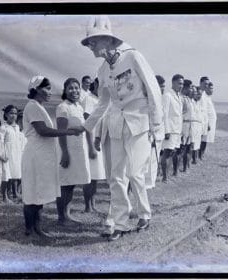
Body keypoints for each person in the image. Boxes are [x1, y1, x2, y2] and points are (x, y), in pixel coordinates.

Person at [77, 15, 163, 241]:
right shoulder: (102, 71)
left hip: (139, 122)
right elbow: (102, 103)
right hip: (116, 125)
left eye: (93, 42)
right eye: (89, 43)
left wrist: (157, 127)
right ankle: (120, 223)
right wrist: (86, 126)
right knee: (116, 176)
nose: (91, 47)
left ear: (107, 40)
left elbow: (153, 91)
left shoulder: (133, 56)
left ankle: (144, 213)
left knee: (135, 173)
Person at [21, 75, 80, 237]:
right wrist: (68, 132)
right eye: (46, 88)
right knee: (32, 193)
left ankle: (35, 228)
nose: (50, 92)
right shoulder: (32, 106)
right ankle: (30, 229)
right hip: (35, 156)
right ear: (36, 90)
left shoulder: (38, 107)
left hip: (41, 157)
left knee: (38, 193)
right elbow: (43, 131)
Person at [56, 78, 92, 224]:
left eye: (77, 88)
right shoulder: (63, 107)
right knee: (65, 184)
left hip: (78, 151)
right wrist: (65, 152)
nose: (74, 91)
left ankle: (67, 215)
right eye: (70, 88)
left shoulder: (78, 107)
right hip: (68, 150)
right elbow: (61, 131)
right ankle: (61, 217)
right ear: (65, 90)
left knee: (72, 183)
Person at [82, 78, 106, 212]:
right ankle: (87, 206)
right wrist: (91, 145)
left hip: (99, 140)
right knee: (90, 175)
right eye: (101, 85)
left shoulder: (102, 100)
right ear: (95, 85)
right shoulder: (89, 99)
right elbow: (88, 123)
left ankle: (93, 204)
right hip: (90, 140)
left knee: (96, 175)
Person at [160, 74, 184, 182]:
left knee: (173, 152)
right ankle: (164, 176)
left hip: (177, 130)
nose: (181, 86)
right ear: (173, 82)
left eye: (182, 84)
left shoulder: (178, 96)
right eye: (179, 83)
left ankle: (167, 175)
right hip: (170, 129)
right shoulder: (168, 95)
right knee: (167, 152)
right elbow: (164, 114)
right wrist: (166, 130)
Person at [145, 75, 165, 188]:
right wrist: (151, 134)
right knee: (148, 160)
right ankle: (146, 183)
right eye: (161, 86)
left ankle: (151, 182)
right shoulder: (150, 98)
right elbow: (148, 118)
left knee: (154, 160)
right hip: (151, 134)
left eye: (163, 87)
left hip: (159, 134)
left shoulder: (160, 99)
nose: (163, 89)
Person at [2, 105, 22, 202]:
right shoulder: (4, 127)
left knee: (15, 174)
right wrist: (3, 154)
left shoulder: (17, 127)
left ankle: (14, 193)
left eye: (15, 113)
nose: (13, 116)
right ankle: (5, 196)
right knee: (7, 176)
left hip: (15, 153)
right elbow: (1, 142)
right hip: (7, 153)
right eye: (11, 113)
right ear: (6, 114)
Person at [198, 76, 210, 160]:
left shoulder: (205, 95)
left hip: (205, 120)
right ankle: (195, 157)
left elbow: (206, 110)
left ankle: (199, 156)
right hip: (198, 120)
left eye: (207, 84)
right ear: (200, 83)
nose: (206, 85)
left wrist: (208, 122)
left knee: (203, 139)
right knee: (196, 139)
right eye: (205, 84)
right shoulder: (197, 93)